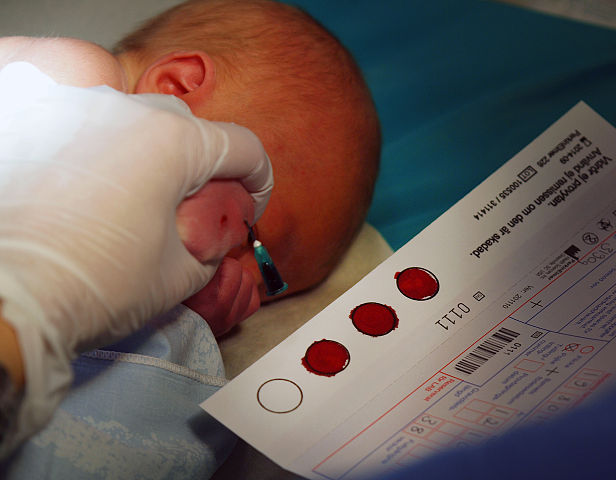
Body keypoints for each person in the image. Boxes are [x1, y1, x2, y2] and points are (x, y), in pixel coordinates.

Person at [0, 0, 381, 477]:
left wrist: (176, 325)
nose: (241, 292)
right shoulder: (79, 78)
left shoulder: (160, 310)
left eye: (269, 293)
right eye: (252, 237)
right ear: (176, 89)